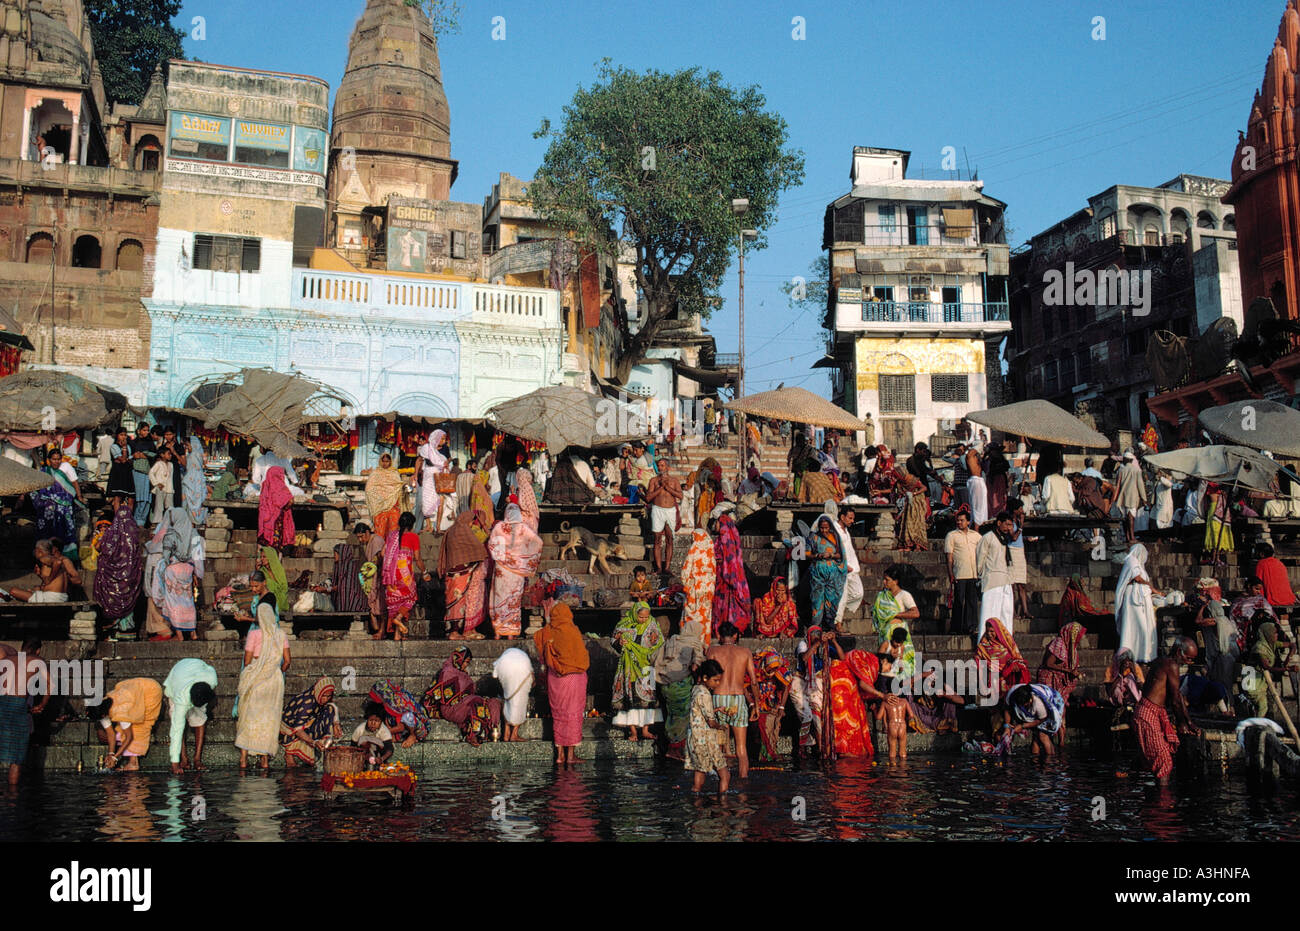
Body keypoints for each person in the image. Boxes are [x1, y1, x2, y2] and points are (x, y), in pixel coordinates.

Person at [234, 572, 290, 771]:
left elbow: (247, 661)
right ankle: (264, 761)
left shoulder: (254, 635)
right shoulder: (280, 634)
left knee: (249, 716)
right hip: (274, 680)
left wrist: (255, 672)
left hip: (256, 678)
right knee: (268, 719)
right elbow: (287, 661)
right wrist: (274, 670)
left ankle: (243, 760)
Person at [1134, 637, 1201, 785]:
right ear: (1179, 652)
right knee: (1164, 762)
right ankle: (1162, 804)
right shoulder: (1171, 665)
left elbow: (1178, 696)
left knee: (1161, 759)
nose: (1189, 663)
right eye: (1188, 658)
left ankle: (1158, 798)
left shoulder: (1162, 661)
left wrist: (1188, 722)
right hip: (1148, 713)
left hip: (1151, 711)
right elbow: (1176, 699)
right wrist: (1182, 722)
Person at [487, 475, 542, 640]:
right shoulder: (525, 530)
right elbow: (538, 543)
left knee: (498, 598)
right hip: (517, 572)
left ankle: (498, 631)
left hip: (502, 570)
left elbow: (492, 545)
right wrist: (524, 561)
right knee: (513, 599)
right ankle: (511, 632)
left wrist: (502, 558)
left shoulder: (499, 527)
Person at [535, 603, 589, 764]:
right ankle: (571, 756)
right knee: (572, 715)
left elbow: (540, 640)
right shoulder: (572, 631)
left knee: (558, 715)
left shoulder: (547, 632)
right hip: (573, 677)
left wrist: (547, 621)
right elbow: (582, 656)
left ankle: (560, 755)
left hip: (555, 678)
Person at [705, 621, 757, 778]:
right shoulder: (745, 652)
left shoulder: (712, 651)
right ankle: (743, 784)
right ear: (735, 636)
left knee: (719, 747)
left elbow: (706, 679)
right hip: (738, 699)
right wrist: (756, 706)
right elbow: (753, 682)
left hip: (718, 699)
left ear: (720, 636)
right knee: (741, 749)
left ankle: (721, 783)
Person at [612, 601, 665, 740]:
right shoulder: (625, 624)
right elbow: (615, 641)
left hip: (646, 667)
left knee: (647, 699)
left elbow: (659, 644)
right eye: (641, 617)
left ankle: (645, 730)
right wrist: (620, 643)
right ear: (635, 613)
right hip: (629, 667)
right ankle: (633, 731)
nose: (643, 619)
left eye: (645, 617)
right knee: (630, 699)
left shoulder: (652, 625)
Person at [427, 647, 501, 745]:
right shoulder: (447, 672)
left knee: (493, 703)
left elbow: (470, 693)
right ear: (458, 659)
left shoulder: (464, 675)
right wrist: (466, 698)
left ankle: (490, 733)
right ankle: (472, 736)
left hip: (465, 705)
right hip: (450, 708)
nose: (466, 665)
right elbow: (444, 697)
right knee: (476, 701)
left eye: (468, 663)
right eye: (465, 662)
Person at [657, 617, 705, 760]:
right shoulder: (695, 643)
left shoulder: (672, 640)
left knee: (672, 715)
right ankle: (675, 749)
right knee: (682, 716)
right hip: (681, 683)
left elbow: (654, 657)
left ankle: (671, 745)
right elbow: (697, 662)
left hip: (666, 683)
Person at [92, 504, 143, 637]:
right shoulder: (134, 532)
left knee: (115, 598)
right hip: (130, 574)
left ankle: (115, 627)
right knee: (127, 598)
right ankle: (127, 629)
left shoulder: (111, 533)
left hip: (112, 574)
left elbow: (100, 548)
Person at [91, 678, 164, 771]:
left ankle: (133, 763)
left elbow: (129, 736)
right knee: (121, 729)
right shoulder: (101, 708)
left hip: (150, 690)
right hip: (133, 689)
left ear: (103, 714)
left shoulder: (121, 711)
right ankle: (132, 761)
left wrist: (115, 757)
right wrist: (110, 754)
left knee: (139, 726)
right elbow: (110, 734)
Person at [827, 638, 882, 758]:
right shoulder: (856, 657)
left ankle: (840, 749)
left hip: (838, 693)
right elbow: (863, 684)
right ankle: (845, 750)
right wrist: (881, 695)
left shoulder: (844, 662)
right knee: (845, 723)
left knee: (840, 723)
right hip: (843, 695)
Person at [439, 510, 490, 641]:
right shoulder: (463, 530)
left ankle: (453, 631)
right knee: (458, 602)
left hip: (451, 572)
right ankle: (454, 633)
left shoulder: (450, 530)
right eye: (472, 520)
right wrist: (484, 526)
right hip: (461, 572)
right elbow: (477, 546)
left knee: (453, 603)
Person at [162, 658, 217, 774]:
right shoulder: (181, 697)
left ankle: (197, 759)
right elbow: (176, 730)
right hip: (178, 675)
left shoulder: (212, 680)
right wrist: (175, 764)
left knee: (200, 718)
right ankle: (183, 759)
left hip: (198, 669)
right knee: (178, 723)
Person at [685, 659, 730, 795]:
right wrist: (721, 726)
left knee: (700, 773)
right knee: (725, 775)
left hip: (694, 739)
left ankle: (697, 807)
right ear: (705, 678)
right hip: (706, 741)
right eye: (715, 680)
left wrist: (716, 710)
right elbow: (711, 723)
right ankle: (723, 805)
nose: (718, 684)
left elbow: (698, 712)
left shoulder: (696, 689)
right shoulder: (705, 694)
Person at [1036, 622, 1085, 744]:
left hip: (1060, 681)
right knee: (1049, 710)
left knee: (1061, 710)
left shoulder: (1071, 647)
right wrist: (1068, 670)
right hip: (1049, 680)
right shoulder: (1059, 643)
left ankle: (1061, 743)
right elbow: (1049, 663)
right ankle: (1047, 739)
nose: (1080, 637)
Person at [1115, 543, 1162, 663]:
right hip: (1133, 598)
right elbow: (1137, 578)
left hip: (1140, 598)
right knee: (1135, 626)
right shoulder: (1131, 560)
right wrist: (1152, 588)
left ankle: (1144, 655)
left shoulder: (1139, 565)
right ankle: (1130, 653)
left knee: (1144, 627)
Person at [382, 511, 425, 641]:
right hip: (404, 574)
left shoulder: (391, 536)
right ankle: (398, 618)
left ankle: (397, 634)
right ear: (412, 525)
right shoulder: (413, 537)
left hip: (391, 575)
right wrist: (425, 571)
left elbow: (383, 553)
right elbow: (417, 559)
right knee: (411, 597)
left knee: (395, 602)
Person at [280, 676, 340, 767]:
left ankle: (324, 743)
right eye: (324, 696)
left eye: (329, 696)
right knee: (292, 732)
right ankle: (289, 754)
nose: (326, 699)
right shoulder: (307, 704)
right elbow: (298, 729)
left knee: (330, 709)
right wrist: (313, 742)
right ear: (319, 692)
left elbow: (333, 706)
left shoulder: (319, 698)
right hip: (289, 727)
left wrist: (336, 724)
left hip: (308, 723)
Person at [1191, 577, 1237, 696]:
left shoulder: (1215, 620)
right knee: (1227, 684)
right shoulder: (1226, 620)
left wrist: (1202, 607)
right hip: (1229, 656)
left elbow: (1197, 621)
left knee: (1221, 683)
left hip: (1221, 657)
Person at [975, 511, 1016, 640]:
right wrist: (980, 577)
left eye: (1011, 525)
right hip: (992, 581)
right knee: (989, 614)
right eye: (1007, 524)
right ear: (999, 523)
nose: (1009, 528)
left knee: (1006, 616)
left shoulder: (1005, 539)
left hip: (1006, 580)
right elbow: (979, 559)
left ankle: (1006, 644)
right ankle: (984, 644)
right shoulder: (988, 537)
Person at [711, 514, 751, 636]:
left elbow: (729, 560)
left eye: (717, 522)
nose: (715, 525)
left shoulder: (725, 537)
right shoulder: (723, 538)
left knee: (726, 604)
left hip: (727, 577)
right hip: (723, 576)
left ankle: (729, 631)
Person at [944, 506, 981, 634]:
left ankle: (971, 627)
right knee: (959, 601)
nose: (959, 522)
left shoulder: (976, 536)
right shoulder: (951, 535)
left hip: (973, 573)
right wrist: (950, 573)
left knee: (972, 602)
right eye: (958, 520)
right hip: (959, 573)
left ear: (968, 522)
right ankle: (956, 628)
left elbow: (982, 553)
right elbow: (949, 557)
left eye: (962, 520)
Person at [1005, 682, 1066, 757]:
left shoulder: (1039, 703)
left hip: (1051, 706)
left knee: (1042, 735)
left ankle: (1050, 762)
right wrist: (1007, 726)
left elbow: (1041, 720)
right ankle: (1036, 762)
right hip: (1038, 712)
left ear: (1030, 699)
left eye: (1025, 704)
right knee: (1036, 736)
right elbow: (1007, 709)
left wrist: (1022, 726)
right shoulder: (1012, 694)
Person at [645, 459, 683, 574]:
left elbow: (680, 496)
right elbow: (648, 498)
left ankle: (667, 567)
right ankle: (658, 568)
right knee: (657, 539)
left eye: (662, 465)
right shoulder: (653, 481)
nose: (660, 468)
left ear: (667, 467)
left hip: (670, 511)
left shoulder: (674, 481)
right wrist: (661, 488)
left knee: (669, 538)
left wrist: (668, 488)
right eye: (658, 466)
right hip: (657, 510)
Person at [977, 619, 1031, 700]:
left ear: (998, 631)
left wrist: (1014, 665)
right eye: (987, 631)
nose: (989, 634)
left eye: (992, 631)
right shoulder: (983, 646)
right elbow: (979, 663)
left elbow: (1017, 657)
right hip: (994, 680)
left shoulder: (1008, 643)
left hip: (1009, 680)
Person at [680, 528, 716, 645]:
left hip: (695, 591)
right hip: (708, 592)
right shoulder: (711, 553)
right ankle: (703, 644)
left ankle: (690, 644)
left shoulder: (694, 549)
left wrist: (688, 586)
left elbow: (685, 573)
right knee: (705, 618)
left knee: (692, 618)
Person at [492, 647, 534, 742]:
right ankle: (514, 734)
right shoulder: (525, 660)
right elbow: (532, 676)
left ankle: (506, 733)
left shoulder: (518, 656)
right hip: (518, 668)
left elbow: (495, 675)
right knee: (520, 702)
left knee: (508, 699)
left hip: (503, 665)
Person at [872, 563, 919, 646]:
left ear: (895, 581)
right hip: (885, 633)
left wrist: (895, 615)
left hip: (898, 634)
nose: (884, 582)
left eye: (887, 580)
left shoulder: (904, 594)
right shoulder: (882, 595)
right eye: (884, 579)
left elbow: (915, 613)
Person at [414, 430, 450, 533]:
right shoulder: (427, 448)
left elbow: (445, 463)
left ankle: (438, 526)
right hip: (428, 477)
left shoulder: (442, 451)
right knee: (426, 501)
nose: (443, 441)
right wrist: (415, 474)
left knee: (441, 500)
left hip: (439, 477)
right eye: (442, 439)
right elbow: (419, 460)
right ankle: (428, 525)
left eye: (444, 439)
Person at [1255, 542, 1296, 627]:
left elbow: (1258, 585)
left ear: (1261, 554)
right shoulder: (1280, 563)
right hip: (1288, 598)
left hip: (1274, 599)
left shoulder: (1261, 563)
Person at [257, 465, 296, 550]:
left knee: (265, 547)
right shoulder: (279, 485)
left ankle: (263, 562)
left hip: (266, 521)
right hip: (276, 521)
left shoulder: (265, 484)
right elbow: (289, 501)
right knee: (276, 545)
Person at [1115, 450, 1147, 546]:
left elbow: (1117, 485)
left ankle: (1127, 537)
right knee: (1131, 517)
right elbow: (1140, 486)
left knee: (1125, 518)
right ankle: (1132, 537)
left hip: (1123, 496)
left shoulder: (1121, 470)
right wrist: (1144, 499)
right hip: (1132, 496)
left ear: (1125, 460)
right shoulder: (1137, 470)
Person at [1007, 497, 1030, 622]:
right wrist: (1020, 527)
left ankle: (1025, 610)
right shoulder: (1010, 522)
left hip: (1020, 551)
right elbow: (1014, 538)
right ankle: (1013, 612)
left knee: (1022, 584)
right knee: (1012, 585)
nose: (1022, 510)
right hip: (1012, 551)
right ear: (1014, 510)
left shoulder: (1016, 520)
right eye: (1020, 508)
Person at [129, 423, 156, 526]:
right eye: (144, 430)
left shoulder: (150, 443)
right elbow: (129, 457)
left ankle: (141, 521)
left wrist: (145, 455)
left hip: (147, 472)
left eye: (147, 430)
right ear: (138, 430)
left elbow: (154, 455)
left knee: (146, 498)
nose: (146, 432)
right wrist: (135, 456)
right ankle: (135, 520)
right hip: (136, 472)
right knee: (138, 497)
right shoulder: (133, 443)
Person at [1201, 482, 1234, 565]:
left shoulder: (1222, 484)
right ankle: (1214, 558)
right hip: (1213, 510)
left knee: (1221, 533)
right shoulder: (1210, 483)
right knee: (1214, 533)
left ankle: (1217, 558)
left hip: (1221, 509)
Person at [106, 428, 137, 512]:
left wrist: (126, 458)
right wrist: (123, 449)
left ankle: (128, 519)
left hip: (127, 472)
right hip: (118, 473)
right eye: (121, 435)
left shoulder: (129, 447)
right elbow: (123, 460)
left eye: (125, 435)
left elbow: (129, 460)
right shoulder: (114, 447)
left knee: (131, 498)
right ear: (117, 436)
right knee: (118, 496)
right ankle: (117, 519)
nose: (123, 437)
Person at [897, 473, 930, 550]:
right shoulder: (899, 483)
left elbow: (924, 488)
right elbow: (900, 491)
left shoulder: (914, 480)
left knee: (917, 523)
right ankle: (908, 544)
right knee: (908, 523)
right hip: (908, 504)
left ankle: (918, 546)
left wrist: (914, 493)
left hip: (917, 503)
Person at [148, 445, 174, 526]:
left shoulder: (171, 465)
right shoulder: (158, 464)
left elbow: (170, 477)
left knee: (170, 506)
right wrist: (156, 483)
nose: (170, 455)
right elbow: (151, 473)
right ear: (162, 455)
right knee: (159, 505)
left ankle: (169, 522)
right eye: (168, 454)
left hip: (169, 488)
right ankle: (157, 522)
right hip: (160, 488)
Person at [966, 444, 988, 526]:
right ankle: (976, 529)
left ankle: (980, 528)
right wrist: (979, 445)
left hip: (980, 481)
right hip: (975, 481)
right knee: (977, 509)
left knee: (982, 508)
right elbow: (969, 454)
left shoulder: (978, 460)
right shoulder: (970, 457)